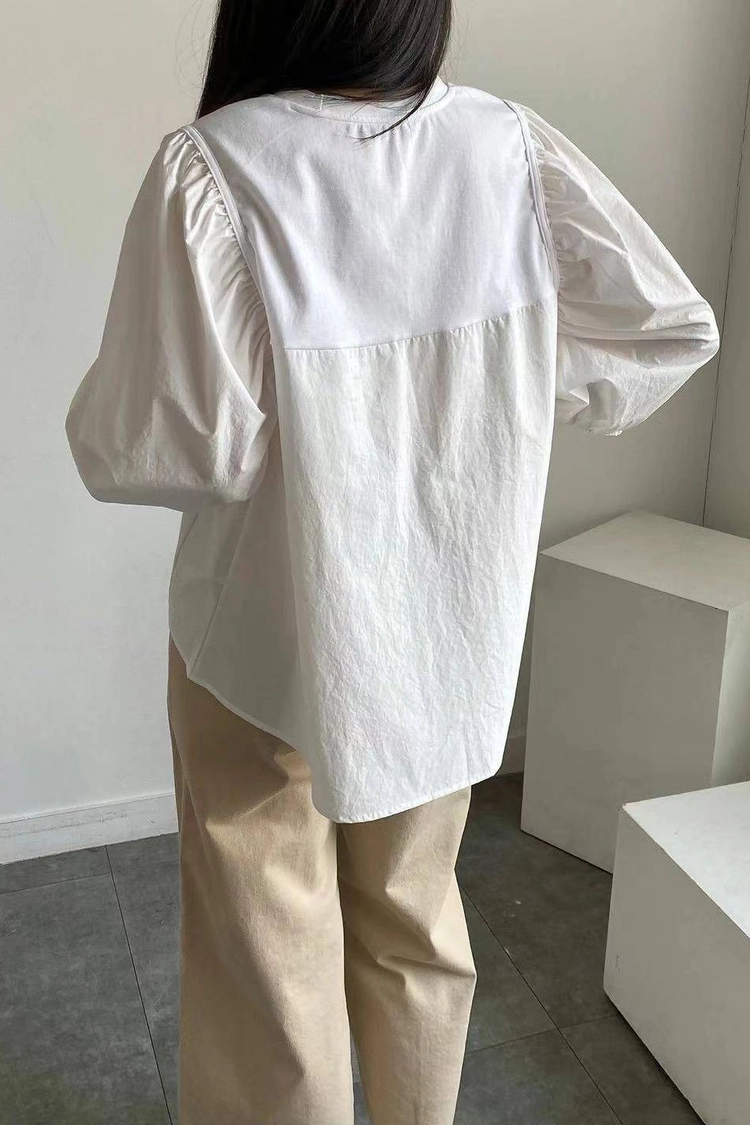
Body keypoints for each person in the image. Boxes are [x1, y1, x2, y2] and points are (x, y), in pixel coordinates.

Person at [64, 0, 720, 1121]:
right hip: (444, 624)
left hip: (261, 635)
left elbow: (166, 449)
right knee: (416, 913)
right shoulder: (506, 147)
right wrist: (501, 396)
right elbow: (666, 329)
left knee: (268, 951)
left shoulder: (215, 167)